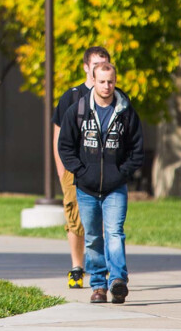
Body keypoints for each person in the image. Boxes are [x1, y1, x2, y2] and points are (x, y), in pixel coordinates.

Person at [58, 62, 143, 304]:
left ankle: (117, 281)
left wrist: (121, 173)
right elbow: (65, 146)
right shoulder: (78, 110)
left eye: (111, 81)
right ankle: (98, 286)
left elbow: (137, 150)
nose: (107, 86)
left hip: (115, 188)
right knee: (94, 236)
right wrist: (81, 172)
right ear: (93, 81)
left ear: (115, 81)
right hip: (86, 188)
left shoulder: (126, 112)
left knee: (114, 233)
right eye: (102, 81)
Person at [53, 46, 110, 289]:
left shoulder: (115, 96)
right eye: (96, 64)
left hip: (104, 170)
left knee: (104, 219)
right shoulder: (72, 96)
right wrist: (62, 170)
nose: (100, 68)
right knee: (75, 219)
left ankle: (103, 267)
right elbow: (58, 136)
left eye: (105, 63)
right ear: (87, 67)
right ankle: (77, 267)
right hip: (74, 168)